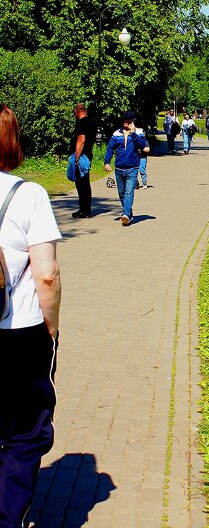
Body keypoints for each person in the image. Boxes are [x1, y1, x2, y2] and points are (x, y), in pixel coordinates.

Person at [0, 104, 62, 528]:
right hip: (18, 333)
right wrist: (52, 330)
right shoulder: (29, 195)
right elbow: (47, 276)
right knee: (24, 433)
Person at [104, 111, 148, 226]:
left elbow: (143, 145)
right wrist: (107, 162)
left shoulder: (138, 132)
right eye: (124, 120)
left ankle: (126, 214)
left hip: (132, 168)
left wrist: (133, 134)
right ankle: (129, 212)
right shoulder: (116, 134)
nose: (126, 122)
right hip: (119, 168)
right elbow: (110, 148)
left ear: (132, 120)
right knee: (121, 193)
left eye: (128, 120)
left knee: (129, 192)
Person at [69, 103, 97, 219]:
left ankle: (84, 210)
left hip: (81, 157)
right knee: (85, 182)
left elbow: (81, 140)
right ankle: (85, 208)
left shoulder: (81, 123)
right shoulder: (91, 122)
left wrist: (76, 158)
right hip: (88, 155)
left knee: (81, 183)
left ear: (77, 111)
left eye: (74, 113)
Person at [134, 118, 150, 188]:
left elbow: (147, 148)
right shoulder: (134, 140)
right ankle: (135, 183)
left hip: (142, 157)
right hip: (135, 157)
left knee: (142, 170)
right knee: (134, 171)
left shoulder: (145, 141)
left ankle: (144, 183)